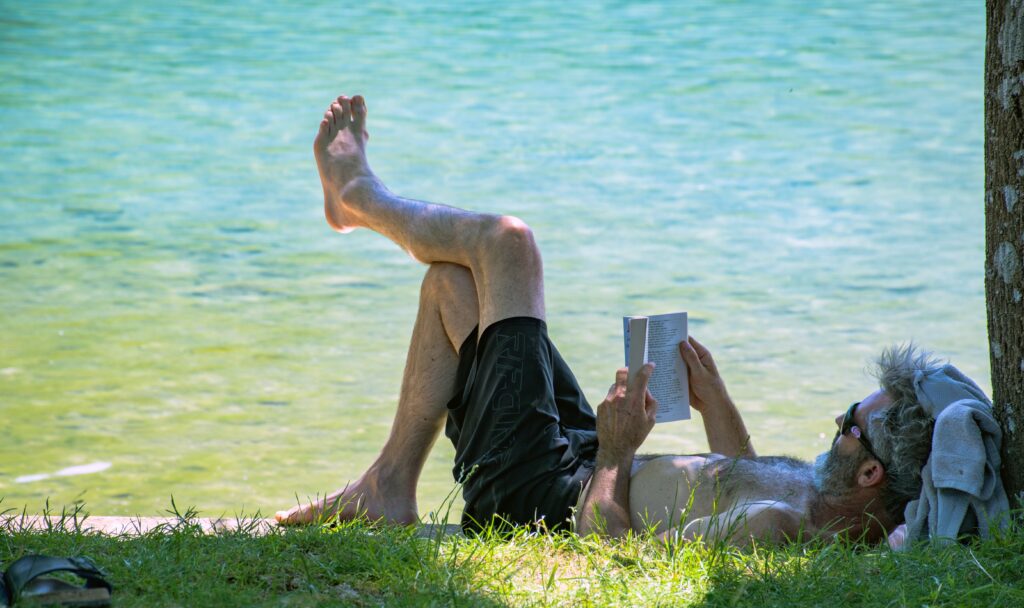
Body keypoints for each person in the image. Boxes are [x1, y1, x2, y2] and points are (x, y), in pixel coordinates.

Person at [275, 93, 939, 546]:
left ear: (871, 474)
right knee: (451, 286)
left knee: (508, 243)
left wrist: (619, 448)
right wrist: (715, 401)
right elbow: (737, 473)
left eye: (850, 423)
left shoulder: (776, 526)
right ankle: (388, 487)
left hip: (543, 498)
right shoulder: (811, 499)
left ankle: (358, 196)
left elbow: (611, 553)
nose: (839, 424)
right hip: (579, 462)